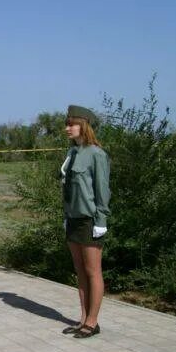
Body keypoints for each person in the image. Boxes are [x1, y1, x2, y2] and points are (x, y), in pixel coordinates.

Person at [60, 105, 110, 339]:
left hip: (90, 220)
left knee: (93, 271)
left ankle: (93, 321)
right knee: (80, 272)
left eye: (72, 124)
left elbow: (102, 190)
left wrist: (101, 219)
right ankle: (82, 318)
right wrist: (65, 217)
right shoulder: (72, 153)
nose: (67, 128)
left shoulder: (96, 154)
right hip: (73, 218)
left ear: (84, 125)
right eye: (67, 123)